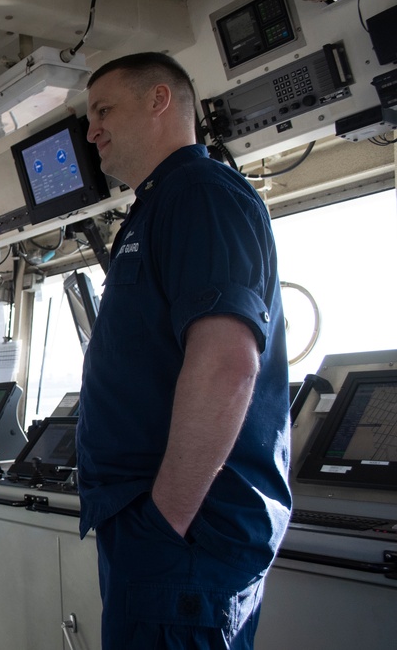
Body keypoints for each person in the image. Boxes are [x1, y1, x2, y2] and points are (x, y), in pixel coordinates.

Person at [76, 53, 290, 649]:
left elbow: (226, 364)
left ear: (159, 100)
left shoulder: (202, 196)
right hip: (157, 527)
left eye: (103, 109)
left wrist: (163, 522)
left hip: (185, 533)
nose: (90, 129)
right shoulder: (159, 205)